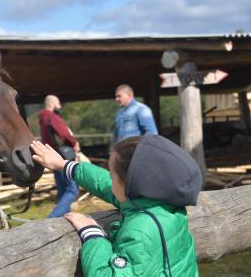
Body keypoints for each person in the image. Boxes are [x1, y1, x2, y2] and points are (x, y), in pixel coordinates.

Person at [31, 134, 201, 276]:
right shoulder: (162, 202)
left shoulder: (141, 231)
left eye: (112, 176)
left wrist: (93, 234)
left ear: (130, 184)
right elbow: (105, 183)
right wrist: (64, 165)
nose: (110, 182)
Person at [39, 94, 80, 218]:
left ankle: (62, 220)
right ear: (51, 104)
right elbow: (65, 134)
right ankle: (52, 218)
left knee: (63, 191)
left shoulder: (43, 119)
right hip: (63, 157)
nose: (60, 106)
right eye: (58, 103)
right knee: (73, 190)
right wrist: (75, 142)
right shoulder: (52, 117)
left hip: (53, 157)